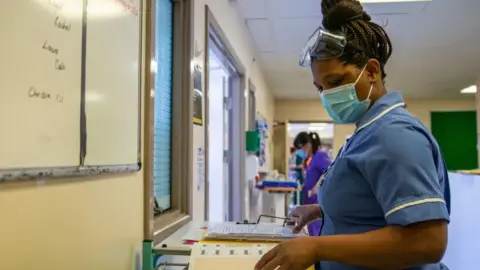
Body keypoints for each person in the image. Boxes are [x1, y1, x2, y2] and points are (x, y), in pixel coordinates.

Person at [255, 0, 451, 269]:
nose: (327, 96)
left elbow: (428, 241)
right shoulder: (366, 134)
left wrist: (315, 247)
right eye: (320, 87)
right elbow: (369, 208)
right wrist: (318, 211)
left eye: (335, 82)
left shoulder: (394, 134)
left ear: (371, 71)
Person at [293, 131, 331, 237]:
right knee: (312, 231)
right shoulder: (311, 158)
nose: (299, 152)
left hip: (317, 202)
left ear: (308, 145)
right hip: (310, 201)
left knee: (317, 232)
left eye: (300, 148)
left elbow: (330, 171)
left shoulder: (320, 155)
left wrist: (318, 186)